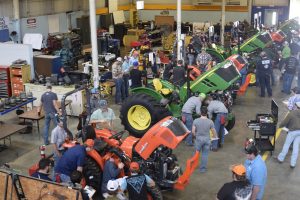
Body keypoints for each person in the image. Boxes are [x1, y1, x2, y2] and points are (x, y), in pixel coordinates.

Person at [192, 107, 217, 172]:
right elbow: (213, 131)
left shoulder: (196, 120)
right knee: (205, 154)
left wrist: (195, 136)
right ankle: (202, 169)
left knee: (196, 153)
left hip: (198, 139)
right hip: (207, 139)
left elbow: (193, 131)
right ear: (207, 113)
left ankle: (193, 166)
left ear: (200, 112)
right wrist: (214, 137)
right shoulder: (210, 121)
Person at [277, 102, 300, 168]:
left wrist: (280, 126)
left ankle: (280, 158)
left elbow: (285, 122)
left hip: (292, 131)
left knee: (287, 144)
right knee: (296, 147)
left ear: (296, 106)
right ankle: (293, 163)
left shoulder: (292, 113)